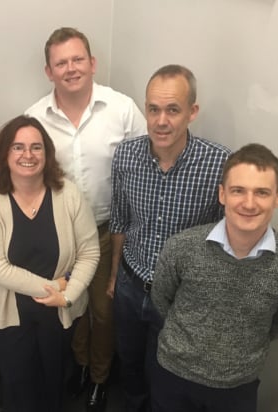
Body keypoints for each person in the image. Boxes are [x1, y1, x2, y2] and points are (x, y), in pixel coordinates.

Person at [25, 27, 146, 411]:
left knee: (104, 311)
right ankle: (79, 364)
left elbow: (143, 167)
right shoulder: (34, 119)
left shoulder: (122, 109)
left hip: (112, 229)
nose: (71, 68)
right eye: (61, 62)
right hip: (61, 231)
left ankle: (99, 376)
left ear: (93, 63)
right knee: (69, 305)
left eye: (78, 59)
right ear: (49, 71)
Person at [150, 143, 278, 412]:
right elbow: (162, 299)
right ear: (222, 194)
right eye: (238, 191)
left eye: (261, 192)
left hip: (238, 387)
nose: (249, 203)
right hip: (174, 376)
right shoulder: (181, 247)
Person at [109, 64, 231, 411]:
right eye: (153, 109)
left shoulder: (219, 163)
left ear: (192, 112)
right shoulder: (126, 156)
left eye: (173, 110)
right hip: (131, 286)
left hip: (181, 296)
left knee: (164, 373)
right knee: (130, 364)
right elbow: (120, 219)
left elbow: (227, 236)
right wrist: (115, 275)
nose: (161, 121)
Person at [0, 115, 100, 412]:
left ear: (47, 153)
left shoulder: (67, 193)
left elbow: (90, 251)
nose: (27, 155)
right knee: (19, 386)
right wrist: (56, 286)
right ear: (5, 153)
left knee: (54, 381)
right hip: (11, 312)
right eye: (18, 147)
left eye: (36, 147)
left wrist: (67, 295)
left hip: (58, 311)